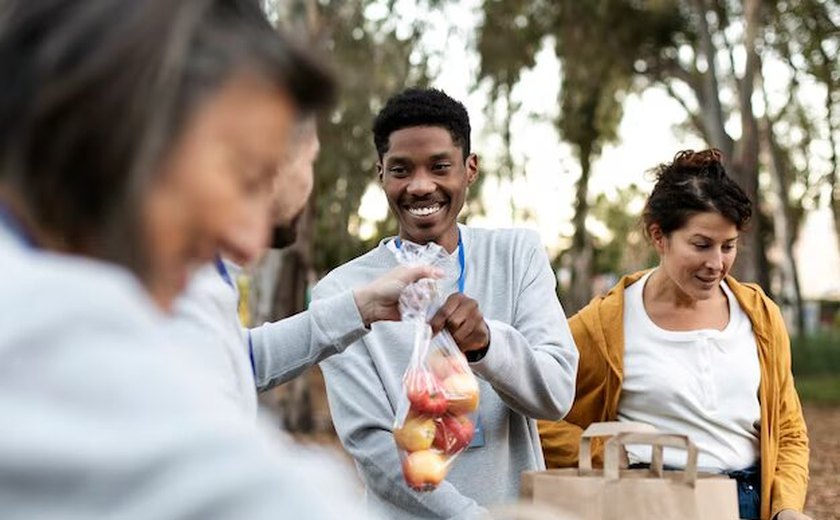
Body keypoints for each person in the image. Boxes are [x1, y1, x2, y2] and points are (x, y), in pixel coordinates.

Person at [0, 1, 375, 518]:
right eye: (246, 176)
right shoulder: (38, 320)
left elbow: (232, 359)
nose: (247, 240)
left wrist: (355, 310)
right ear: (123, 123)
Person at [315, 88, 580, 518]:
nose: (421, 186)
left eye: (440, 167)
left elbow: (556, 395)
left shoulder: (516, 256)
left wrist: (486, 345)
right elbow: (373, 448)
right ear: (380, 173)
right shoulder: (342, 293)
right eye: (401, 169)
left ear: (469, 169)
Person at [538, 149, 810, 520]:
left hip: (749, 503)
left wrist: (786, 507)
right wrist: (619, 452)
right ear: (658, 236)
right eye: (701, 245)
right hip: (652, 503)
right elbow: (535, 415)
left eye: (728, 246)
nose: (717, 264)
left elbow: (790, 429)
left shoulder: (761, 316)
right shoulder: (604, 324)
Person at [169, 117, 441, 418]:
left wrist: (365, 306)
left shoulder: (204, 275)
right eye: (310, 160)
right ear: (273, 162)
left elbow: (234, 361)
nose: (310, 185)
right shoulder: (180, 288)